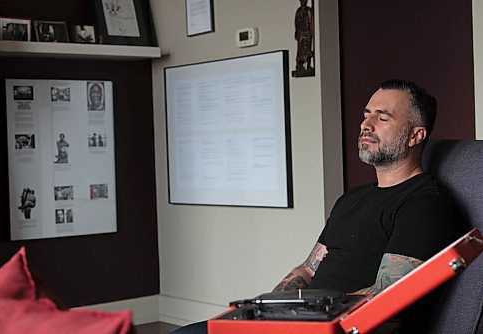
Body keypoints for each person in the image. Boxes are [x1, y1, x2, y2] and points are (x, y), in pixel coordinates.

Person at [171, 79, 459, 334]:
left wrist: (304, 319)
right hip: (299, 320)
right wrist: (268, 312)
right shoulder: (351, 199)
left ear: (415, 136)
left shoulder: (423, 203)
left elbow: (388, 299)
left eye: (382, 118)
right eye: (366, 114)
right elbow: (308, 270)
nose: (365, 125)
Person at [294, 0, 314, 72]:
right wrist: (296, 32)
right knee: (300, 50)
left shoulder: (308, 10)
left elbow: (311, 21)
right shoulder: (298, 11)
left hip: (307, 32)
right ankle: (299, 65)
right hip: (301, 33)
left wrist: (311, 32)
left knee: (308, 49)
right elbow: (296, 22)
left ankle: (308, 65)